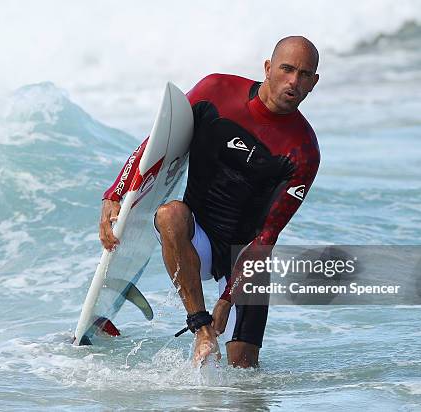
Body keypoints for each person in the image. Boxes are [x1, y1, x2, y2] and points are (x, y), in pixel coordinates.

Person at [99, 36, 321, 368]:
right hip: (194, 236)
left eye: (304, 75)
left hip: (244, 257)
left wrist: (228, 298)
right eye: (287, 69)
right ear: (268, 68)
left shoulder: (302, 151)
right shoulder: (216, 92)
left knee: (246, 380)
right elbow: (157, 144)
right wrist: (116, 193)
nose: (293, 81)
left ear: (313, 83)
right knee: (170, 214)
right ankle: (200, 328)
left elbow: (266, 239)